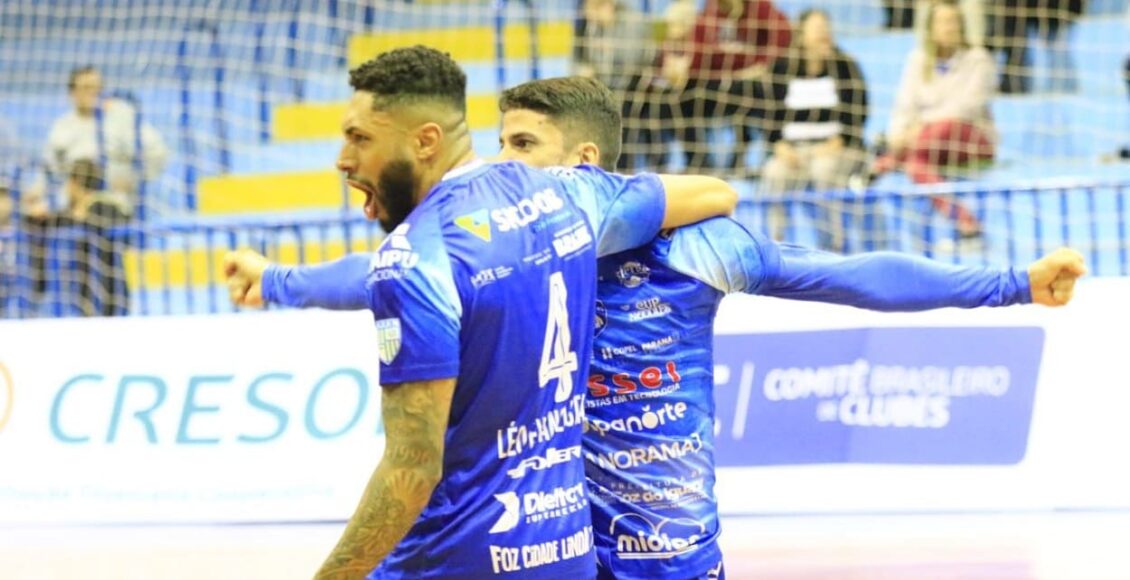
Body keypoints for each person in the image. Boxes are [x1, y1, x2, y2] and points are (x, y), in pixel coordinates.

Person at [225, 74, 1086, 580]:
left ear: (583, 161)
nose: (498, 163)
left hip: (668, 550)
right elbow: (391, 271)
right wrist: (279, 282)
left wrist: (1011, 283)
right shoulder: (502, 246)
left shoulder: (697, 246)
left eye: (520, 145)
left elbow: (851, 275)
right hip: (556, 544)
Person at [264, 47, 735, 579]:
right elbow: (714, 193)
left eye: (360, 138)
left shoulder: (415, 260)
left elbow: (411, 471)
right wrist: (274, 280)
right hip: (564, 551)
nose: (343, 159)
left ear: (426, 141)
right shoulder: (561, 191)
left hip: (455, 560)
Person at [872, 0, 997, 238]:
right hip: (926, 145)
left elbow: (966, 108)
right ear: (930, 28)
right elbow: (904, 105)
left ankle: (885, 162)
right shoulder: (917, 60)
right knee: (916, 164)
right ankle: (964, 219)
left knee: (947, 125)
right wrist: (898, 134)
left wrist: (920, 127)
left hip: (971, 139)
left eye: (953, 22)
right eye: (943, 22)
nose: (949, 27)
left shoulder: (979, 59)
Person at [760, 8, 869, 251]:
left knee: (824, 169)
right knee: (774, 172)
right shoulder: (782, 69)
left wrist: (838, 141)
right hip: (794, 151)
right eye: (818, 28)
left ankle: (832, 245)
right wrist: (779, 146)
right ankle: (774, 244)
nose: (824, 33)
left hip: (837, 149)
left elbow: (859, 114)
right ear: (801, 34)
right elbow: (769, 117)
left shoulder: (846, 66)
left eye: (826, 27)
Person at [42, 66, 167, 206]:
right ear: (72, 93)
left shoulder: (122, 115)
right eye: (86, 87)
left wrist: (131, 180)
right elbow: (50, 169)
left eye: (98, 88)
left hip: (115, 200)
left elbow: (156, 153)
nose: (94, 92)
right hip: (73, 202)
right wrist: (38, 193)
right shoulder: (62, 127)